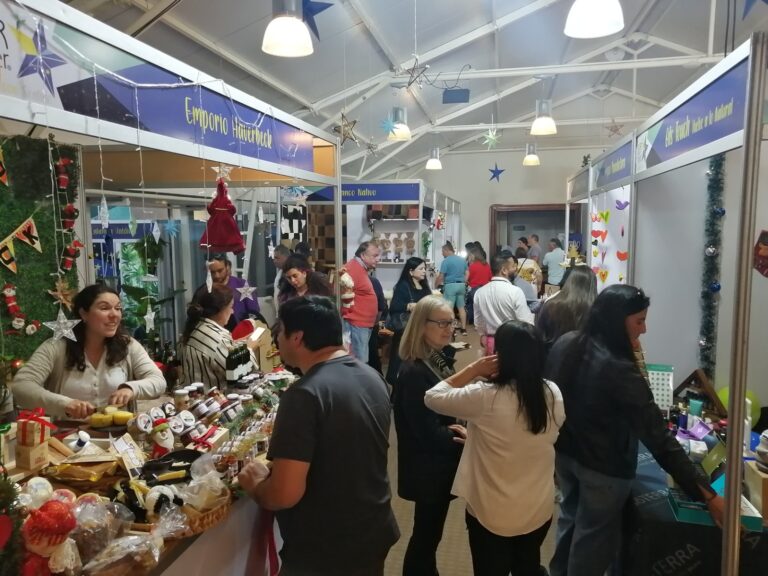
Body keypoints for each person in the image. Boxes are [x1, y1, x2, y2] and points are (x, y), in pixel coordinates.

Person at [546, 285, 724, 576]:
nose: (644, 329)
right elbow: (658, 436)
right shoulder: (619, 369)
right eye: (639, 321)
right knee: (592, 539)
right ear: (617, 321)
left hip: (566, 456)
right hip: (603, 469)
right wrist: (707, 494)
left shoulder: (567, 343)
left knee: (570, 519)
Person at [238, 296, 399, 575]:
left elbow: (284, 494)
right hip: (372, 527)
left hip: (326, 547)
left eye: (280, 331)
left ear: (297, 337)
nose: (276, 339)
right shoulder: (372, 376)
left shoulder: (304, 395)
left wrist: (256, 485)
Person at [425, 321, 565, 576]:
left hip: (491, 512)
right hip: (537, 508)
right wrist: (481, 438)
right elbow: (531, 438)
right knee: (527, 566)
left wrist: (473, 368)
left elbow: (432, 397)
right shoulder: (552, 392)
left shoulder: (484, 396)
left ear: (499, 355)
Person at [11, 284, 165, 419]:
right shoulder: (56, 347)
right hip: (66, 437)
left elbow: (158, 382)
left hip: (119, 437)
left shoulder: (128, 345)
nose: (114, 315)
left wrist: (131, 389)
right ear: (84, 314)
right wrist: (65, 404)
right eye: (104, 308)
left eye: (118, 308)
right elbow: (21, 386)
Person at [393, 295, 466, 576]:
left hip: (436, 464)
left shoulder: (436, 360)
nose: (450, 329)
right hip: (428, 467)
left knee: (429, 534)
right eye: (442, 323)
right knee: (425, 536)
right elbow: (427, 432)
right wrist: (463, 435)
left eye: (452, 323)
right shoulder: (416, 370)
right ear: (422, 325)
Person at [180, 284, 256, 390]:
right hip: (215, 398)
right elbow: (244, 373)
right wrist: (249, 348)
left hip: (196, 396)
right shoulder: (217, 340)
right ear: (218, 310)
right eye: (230, 307)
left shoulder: (194, 329)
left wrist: (238, 344)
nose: (232, 311)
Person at [474, 253, 533, 354]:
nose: (516, 269)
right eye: (513, 266)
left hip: (491, 343)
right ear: (504, 270)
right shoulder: (515, 291)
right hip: (512, 342)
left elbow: (479, 322)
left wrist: (483, 335)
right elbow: (525, 323)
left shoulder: (479, 292)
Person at [386, 257, 433, 384]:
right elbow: (394, 307)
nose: (424, 271)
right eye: (421, 269)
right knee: (400, 360)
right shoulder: (403, 286)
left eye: (425, 268)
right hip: (405, 331)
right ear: (411, 271)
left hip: (421, 330)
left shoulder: (424, 286)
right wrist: (408, 306)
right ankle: (396, 386)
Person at [536, 265, 597, 350]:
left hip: (553, 354)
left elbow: (540, 335)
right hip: (584, 356)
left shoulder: (551, 305)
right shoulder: (596, 309)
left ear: (569, 281)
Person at [341, 241, 381, 361]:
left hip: (361, 324)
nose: (378, 259)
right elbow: (343, 297)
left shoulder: (359, 268)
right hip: (356, 324)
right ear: (363, 255)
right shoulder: (351, 269)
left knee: (360, 361)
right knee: (358, 362)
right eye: (375, 256)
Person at [205, 255, 261, 330]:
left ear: (227, 267)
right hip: (215, 333)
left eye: (220, 270)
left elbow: (254, 314)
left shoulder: (243, 285)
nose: (217, 276)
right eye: (212, 272)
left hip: (243, 332)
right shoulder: (205, 290)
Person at [435, 242, 468, 335]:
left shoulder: (446, 261)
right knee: (461, 308)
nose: (442, 254)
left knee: (449, 309)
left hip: (450, 286)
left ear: (447, 250)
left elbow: (441, 276)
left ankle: (452, 330)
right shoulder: (462, 260)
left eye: (442, 251)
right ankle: (464, 329)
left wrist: (436, 285)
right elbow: (467, 272)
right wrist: (464, 281)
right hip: (461, 285)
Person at [465, 247, 492, 327]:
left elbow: (468, 278)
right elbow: (490, 277)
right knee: (483, 306)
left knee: (471, 304)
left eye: (470, 255)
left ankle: (472, 321)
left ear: (473, 256)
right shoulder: (487, 265)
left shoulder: (472, 266)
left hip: (474, 289)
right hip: (485, 289)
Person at [272, 244, 292, 310]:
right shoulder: (280, 273)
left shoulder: (292, 275)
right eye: (274, 258)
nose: (274, 261)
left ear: (286, 257)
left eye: (277, 258)